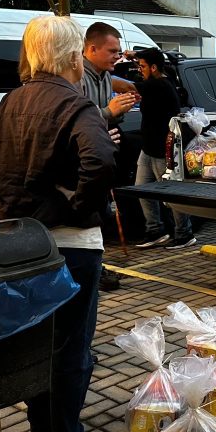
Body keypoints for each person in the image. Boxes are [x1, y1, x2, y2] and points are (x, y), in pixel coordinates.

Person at [0, 15, 118, 432]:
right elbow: (101, 162)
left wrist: (7, 196)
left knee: (35, 336)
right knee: (72, 345)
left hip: (19, 243)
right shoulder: (75, 105)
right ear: (74, 56)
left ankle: (41, 431)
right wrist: (74, 206)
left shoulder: (9, 102)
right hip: (71, 242)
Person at [81, 22, 138, 291]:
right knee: (90, 213)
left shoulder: (105, 75)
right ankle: (92, 270)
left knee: (101, 212)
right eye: (112, 51)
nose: (118, 56)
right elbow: (78, 120)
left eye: (119, 51)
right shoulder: (76, 75)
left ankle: (96, 266)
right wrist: (108, 112)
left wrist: (119, 110)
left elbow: (107, 115)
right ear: (91, 49)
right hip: (83, 159)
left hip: (102, 153)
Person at [127, 48, 196, 250]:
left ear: (154, 67)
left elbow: (125, 86)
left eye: (142, 66)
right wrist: (135, 56)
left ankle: (184, 234)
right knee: (142, 190)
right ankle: (155, 231)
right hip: (147, 148)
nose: (139, 70)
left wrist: (102, 72)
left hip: (162, 149)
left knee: (170, 194)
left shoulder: (159, 85)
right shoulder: (155, 81)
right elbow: (152, 54)